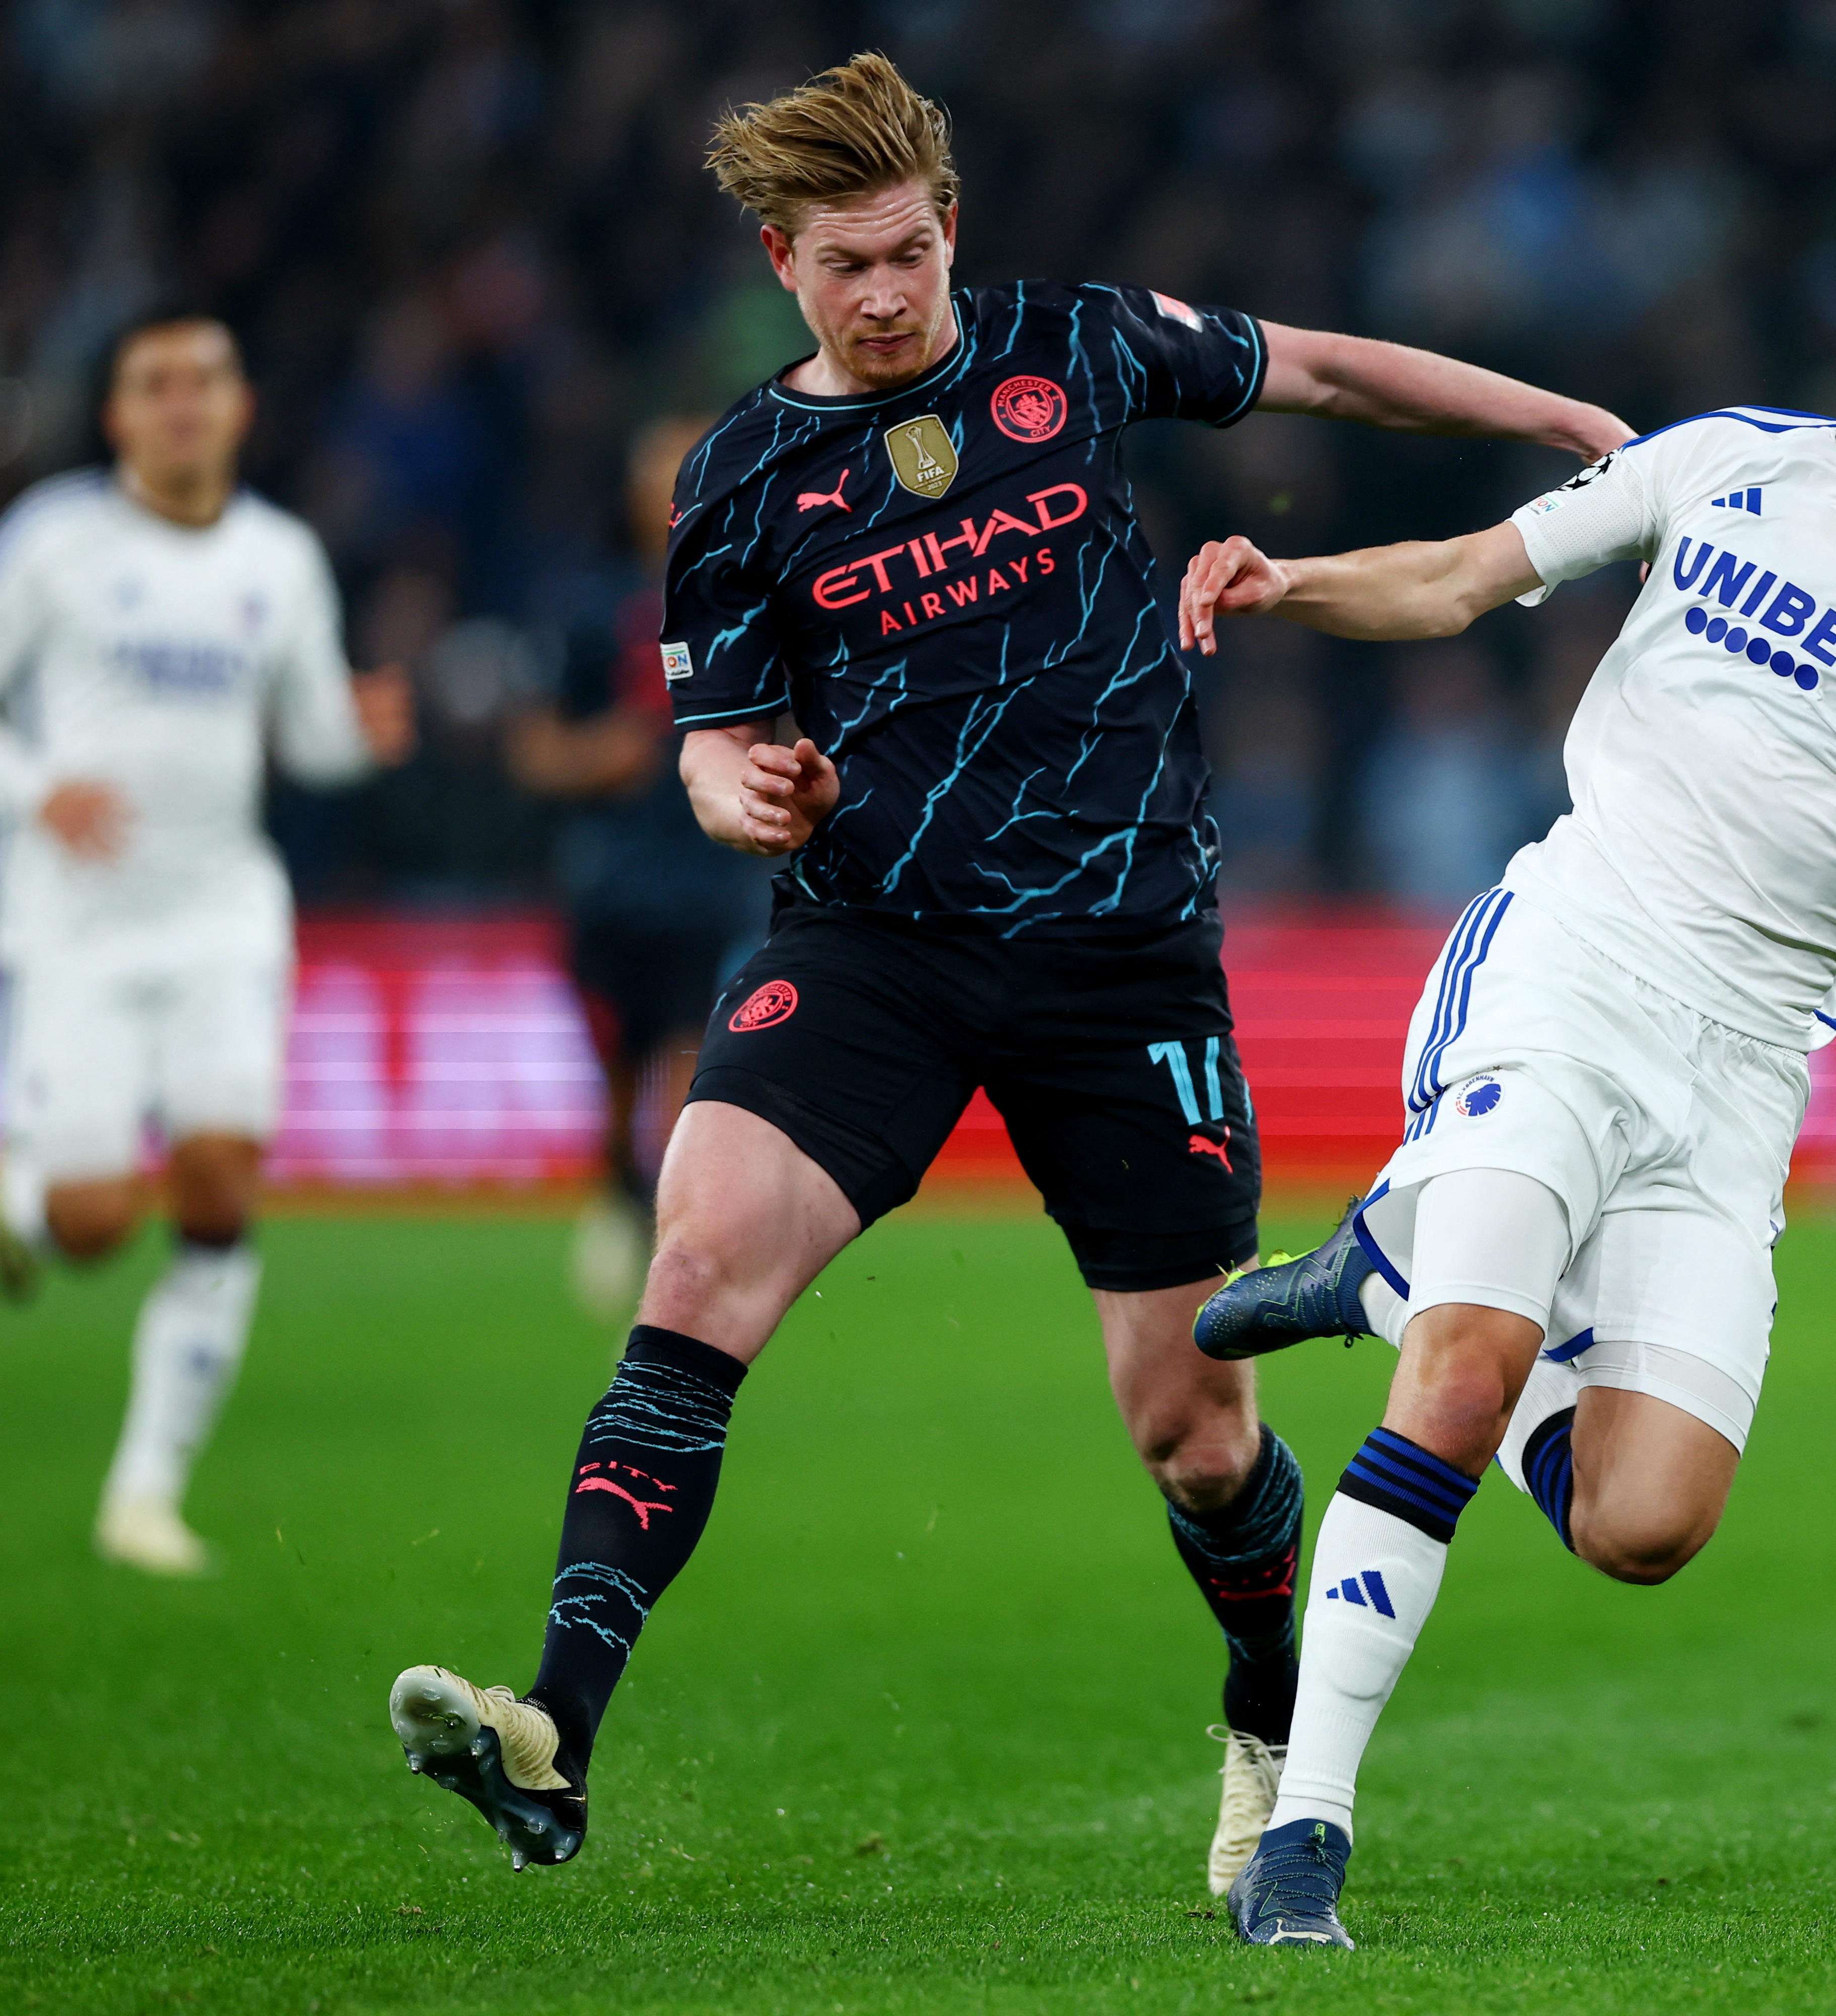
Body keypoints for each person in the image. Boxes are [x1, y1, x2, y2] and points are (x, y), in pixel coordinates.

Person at [386, 52, 1630, 1892]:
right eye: (843, 267)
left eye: (907, 253)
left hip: (1121, 964)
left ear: (948, 227)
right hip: (871, 945)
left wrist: (1558, 424)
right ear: (781, 261)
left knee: (1196, 1436)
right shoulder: (739, 473)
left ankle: (1270, 1708)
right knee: (701, 1262)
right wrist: (752, 795)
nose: (884, 296)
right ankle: (556, 1731)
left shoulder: (1083, 345)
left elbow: (1331, 368)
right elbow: (713, 741)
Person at [1176, 191, 1836, 1946]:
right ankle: (1304, 1840)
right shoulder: (1718, 466)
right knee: (1467, 1376)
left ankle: (1384, 1268)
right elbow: (1467, 575)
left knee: (1646, 1524)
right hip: (1572, 965)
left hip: (1753, 1063)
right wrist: (1291, 582)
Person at [0, 309, 413, 1575]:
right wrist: (36, 791)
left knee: (222, 1182)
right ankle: (25, 1195)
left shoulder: (280, 558)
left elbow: (306, 737)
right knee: (89, 1223)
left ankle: (145, 1494)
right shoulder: (53, 543)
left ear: (240, 408)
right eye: (154, 384)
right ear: (118, 414)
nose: (182, 403)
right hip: (73, 923)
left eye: (205, 381)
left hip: (226, 910)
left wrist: (362, 728)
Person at [504, 415, 772, 1313]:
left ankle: (668, 1218)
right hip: (611, 873)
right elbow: (534, 746)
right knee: (622, 1057)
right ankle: (620, 1188)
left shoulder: (754, 597)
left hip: (710, 869)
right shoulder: (587, 606)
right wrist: (593, 760)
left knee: (689, 1053)